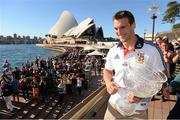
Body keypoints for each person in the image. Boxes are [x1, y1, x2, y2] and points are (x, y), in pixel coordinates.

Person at [103, 10, 169, 119]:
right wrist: (108, 83)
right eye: (116, 28)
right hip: (114, 106)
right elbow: (107, 70)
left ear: (133, 25)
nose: (118, 32)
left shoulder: (151, 49)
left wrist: (141, 93)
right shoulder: (113, 50)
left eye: (123, 27)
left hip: (138, 110)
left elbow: (161, 77)